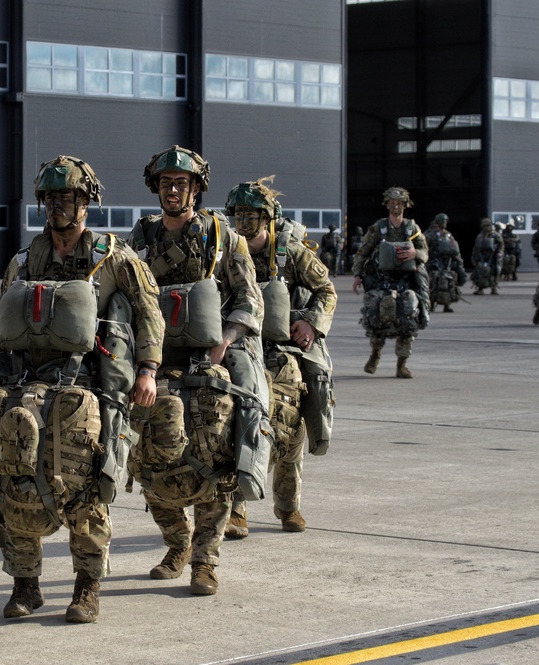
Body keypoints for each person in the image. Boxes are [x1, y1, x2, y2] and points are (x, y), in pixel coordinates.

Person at [0, 155, 163, 623]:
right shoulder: (25, 259)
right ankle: (25, 584)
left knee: (86, 489)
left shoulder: (113, 259)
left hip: (88, 390)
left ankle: (87, 586)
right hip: (22, 386)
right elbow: (1, 317)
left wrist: (148, 369)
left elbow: (149, 311)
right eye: (51, 198)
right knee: (11, 478)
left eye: (68, 197)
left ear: (86, 202)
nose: (58, 206)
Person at [127, 145, 265, 595]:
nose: (173, 190)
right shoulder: (141, 240)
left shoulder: (224, 238)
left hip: (214, 356)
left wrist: (224, 343)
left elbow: (250, 300)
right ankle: (177, 541)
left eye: (181, 183)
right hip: (155, 361)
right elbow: (119, 297)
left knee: (226, 448)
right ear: (156, 188)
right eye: (166, 183)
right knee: (145, 456)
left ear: (196, 188)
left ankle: (205, 559)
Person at [222, 177, 336, 538]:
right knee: (230, 421)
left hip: (285, 344)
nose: (244, 221)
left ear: (267, 217)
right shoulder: (224, 252)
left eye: (251, 214)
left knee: (296, 417)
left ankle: (288, 506)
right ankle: (236, 508)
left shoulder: (290, 252)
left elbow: (326, 290)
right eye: (238, 213)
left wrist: (310, 324)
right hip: (240, 342)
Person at [351, 186, 429, 379]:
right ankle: (375, 354)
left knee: (408, 317)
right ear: (387, 205)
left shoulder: (412, 228)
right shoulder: (379, 228)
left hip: (406, 281)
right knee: (377, 317)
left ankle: (401, 364)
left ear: (405, 205)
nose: (396, 207)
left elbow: (425, 253)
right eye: (392, 203)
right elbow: (364, 252)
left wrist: (414, 253)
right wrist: (358, 274)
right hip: (381, 281)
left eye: (399, 203)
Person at [425, 214, 467, 313]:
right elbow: (424, 247)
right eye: (442, 221)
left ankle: (447, 304)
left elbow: (453, 246)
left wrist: (456, 258)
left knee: (449, 282)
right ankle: (431, 303)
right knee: (433, 282)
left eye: (445, 221)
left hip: (447, 262)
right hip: (434, 262)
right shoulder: (430, 234)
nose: (443, 223)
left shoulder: (448, 234)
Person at [471, 217, 504, 295]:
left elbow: (501, 244)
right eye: (484, 226)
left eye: (487, 226)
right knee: (480, 271)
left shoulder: (495, 235)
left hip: (492, 256)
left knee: (494, 271)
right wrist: (474, 257)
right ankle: (480, 288)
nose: (486, 228)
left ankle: (494, 287)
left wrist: (499, 252)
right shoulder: (480, 236)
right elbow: (476, 247)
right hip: (481, 256)